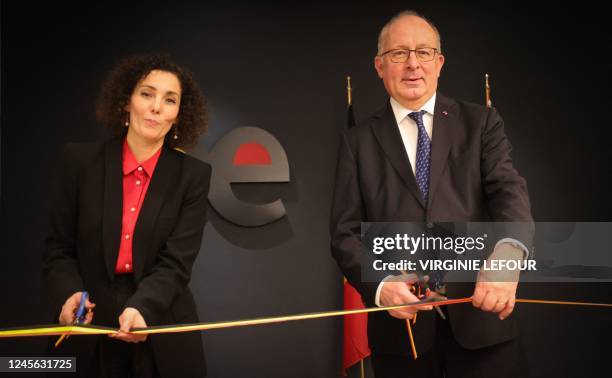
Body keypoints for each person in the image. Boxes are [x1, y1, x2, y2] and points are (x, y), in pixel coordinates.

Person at [330, 10, 534, 378]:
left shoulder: (481, 122)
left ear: (439, 63)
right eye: (399, 54)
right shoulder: (355, 141)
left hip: (483, 327)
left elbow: (509, 193)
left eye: (424, 52)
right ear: (379, 65)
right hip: (401, 338)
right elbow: (344, 234)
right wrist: (380, 284)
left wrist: (507, 256)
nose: (413, 64)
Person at [43, 53, 211, 378]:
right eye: (146, 94)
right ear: (126, 101)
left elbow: (177, 263)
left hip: (160, 321)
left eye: (170, 100)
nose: (156, 107)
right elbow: (58, 249)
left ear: (179, 115)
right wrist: (69, 294)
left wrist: (142, 307)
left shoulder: (194, 175)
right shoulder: (79, 161)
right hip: (86, 324)